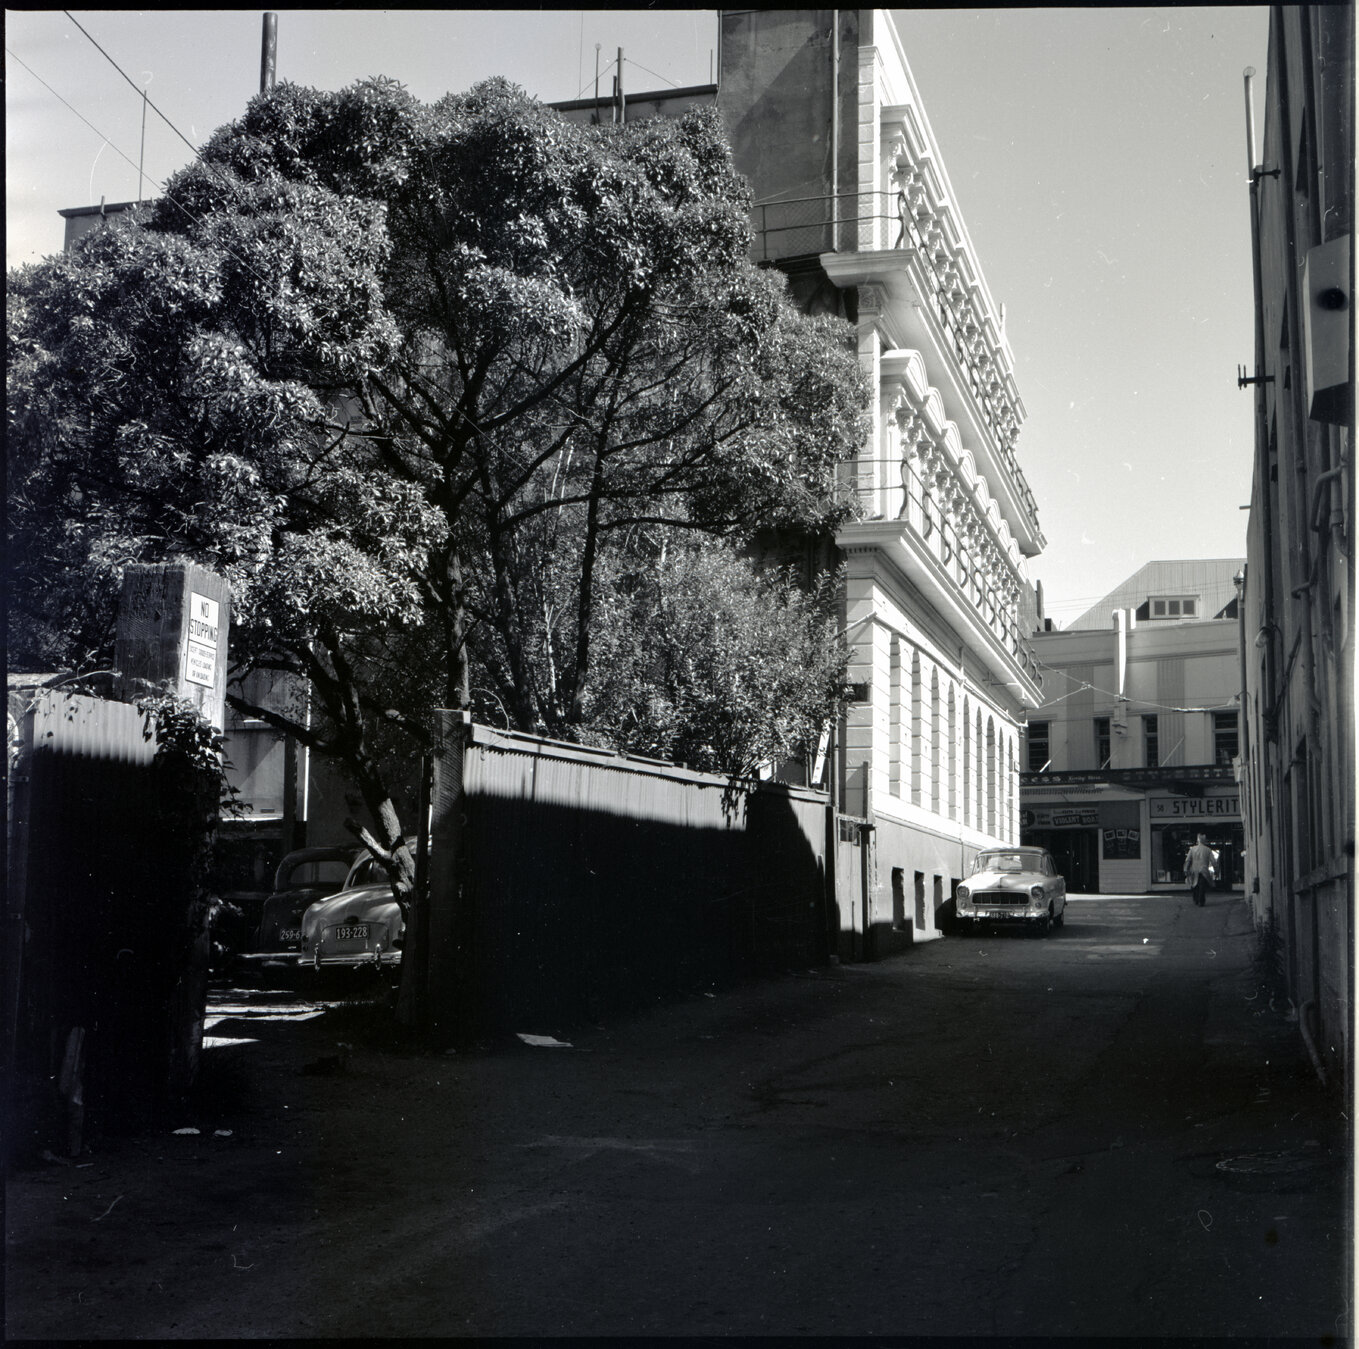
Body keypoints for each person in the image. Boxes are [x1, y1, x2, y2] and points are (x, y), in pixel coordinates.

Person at [1183, 833, 1216, 906]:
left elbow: (1188, 860)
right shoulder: (1208, 850)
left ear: (1198, 840)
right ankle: (1201, 900)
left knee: (1195, 885)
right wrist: (1216, 869)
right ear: (1204, 840)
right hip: (1204, 870)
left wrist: (1186, 869)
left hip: (1194, 870)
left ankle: (1196, 899)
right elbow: (1213, 861)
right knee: (1202, 886)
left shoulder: (1192, 849)